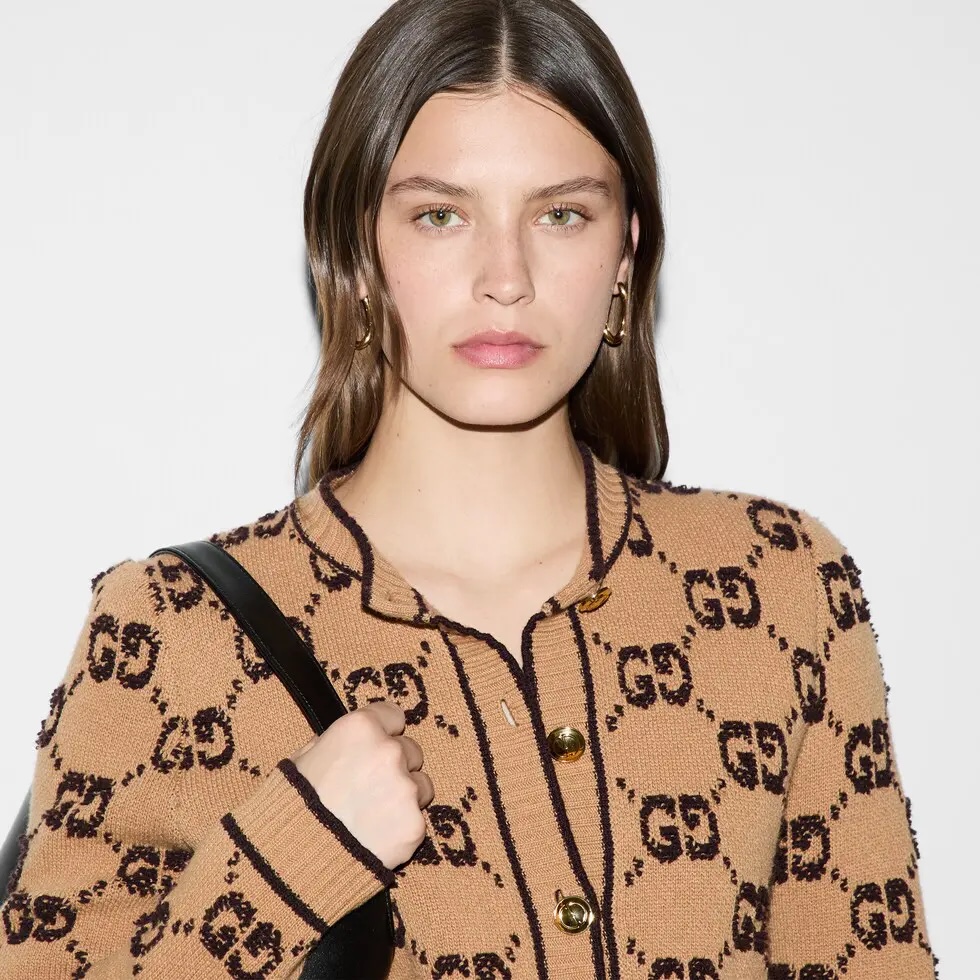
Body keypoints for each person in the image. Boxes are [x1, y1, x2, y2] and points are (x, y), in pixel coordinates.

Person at [0, 0, 936, 977]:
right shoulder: (169, 634)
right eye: (440, 215)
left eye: (561, 214)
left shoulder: (780, 587)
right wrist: (289, 855)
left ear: (624, 254)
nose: (505, 276)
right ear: (355, 253)